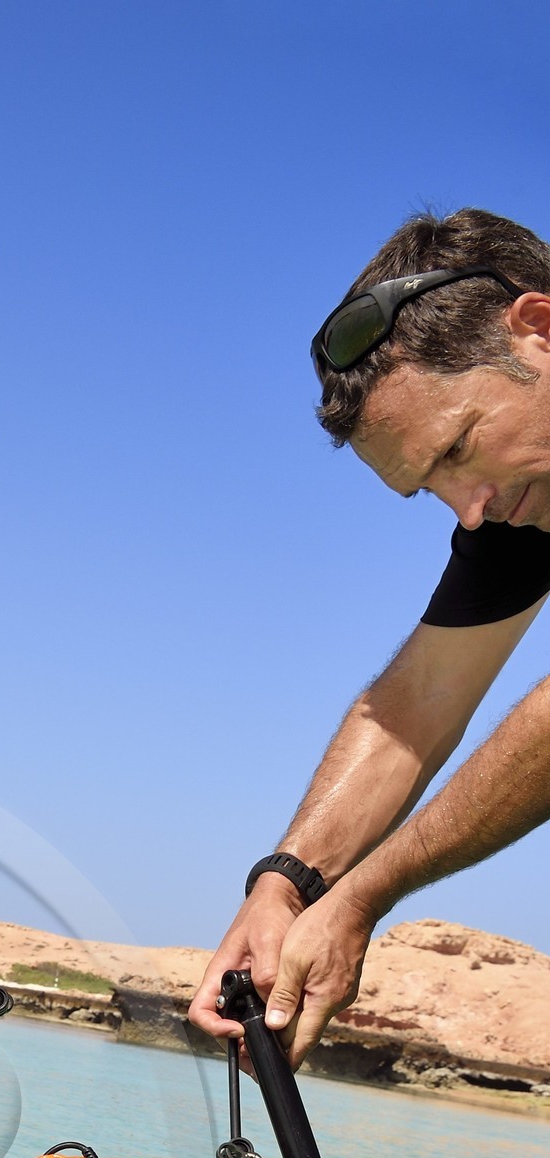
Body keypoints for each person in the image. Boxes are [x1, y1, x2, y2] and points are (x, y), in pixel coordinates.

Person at [189, 208, 550, 1066]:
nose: (471, 509)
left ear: (538, 330)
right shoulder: (522, 494)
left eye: (461, 445)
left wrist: (358, 899)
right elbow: (416, 703)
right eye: (431, 486)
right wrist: (284, 884)